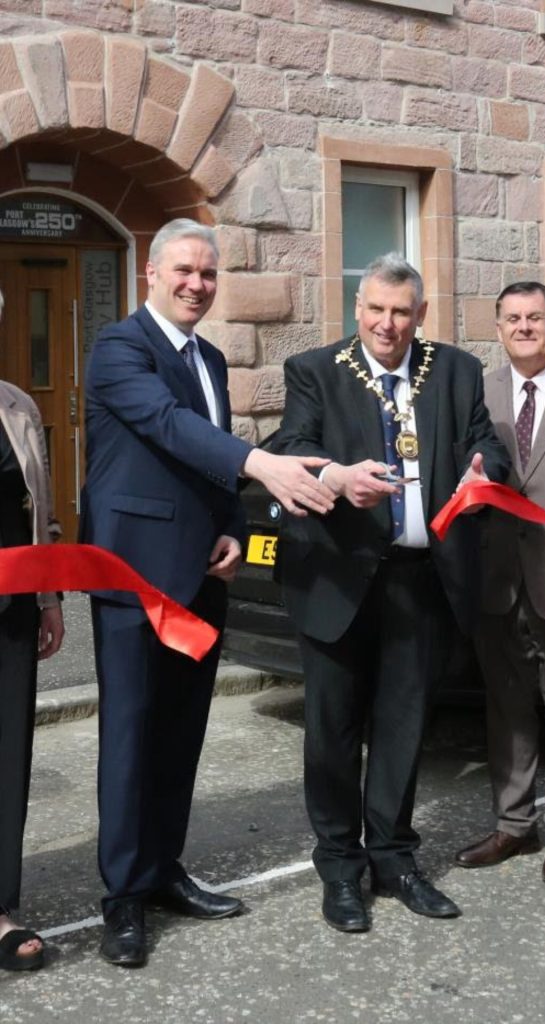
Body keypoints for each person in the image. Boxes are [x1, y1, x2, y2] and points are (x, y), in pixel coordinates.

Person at [80, 219, 334, 967]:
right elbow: (168, 426)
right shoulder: (119, 347)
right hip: (134, 581)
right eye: (185, 270)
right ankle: (123, 898)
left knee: (181, 734)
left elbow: (209, 461)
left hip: (202, 576)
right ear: (151, 273)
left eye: (209, 273)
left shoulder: (211, 357)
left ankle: (163, 870)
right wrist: (264, 464)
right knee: (131, 739)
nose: (197, 284)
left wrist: (231, 526)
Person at [274, 254, 510, 932]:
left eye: (401, 312)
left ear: (420, 315)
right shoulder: (315, 370)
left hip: (420, 580)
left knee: (404, 728)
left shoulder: (455, 370)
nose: (387, 323)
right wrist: (336, 476)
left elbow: (486, 445)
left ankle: (394, 859)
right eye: (376, 309)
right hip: (338, 577)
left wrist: (484, 469)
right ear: (358, 308)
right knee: (333, 732)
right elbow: (292, 444)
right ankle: (340, 869)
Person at [455, 281, 545, 885]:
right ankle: (513, 823)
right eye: (512, 319)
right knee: (506, 704)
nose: (523, 327)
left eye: (535, 317)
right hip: (497, 574)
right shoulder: (477, 392)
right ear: (498, 328)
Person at [0, 284, 64, 972]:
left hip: (12, 607)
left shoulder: (17, 404)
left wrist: (50, 598)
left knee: (7, 755)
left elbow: (38, 511)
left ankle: (1, 906)